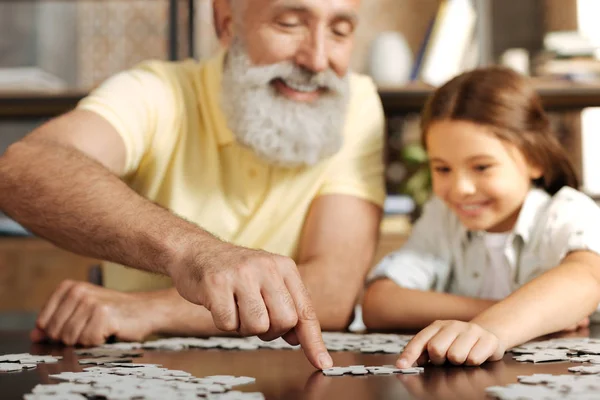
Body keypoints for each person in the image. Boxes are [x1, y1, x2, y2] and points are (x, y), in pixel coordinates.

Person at [0, 0, 386, 370]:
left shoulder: (356, 102)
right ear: (226, 22)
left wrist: (148, 310)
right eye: (289, 23)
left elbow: (335, 290)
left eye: (340, 30)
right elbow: (22, 167)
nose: (317, 59)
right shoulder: (158, 92)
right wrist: (195, 252)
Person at [361, 66, 600, 368]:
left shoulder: (567, 211)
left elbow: (584, 279)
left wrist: (492, 328)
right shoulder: (442, 218)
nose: (461, 189)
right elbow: (379, 302)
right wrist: (487, 316)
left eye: (482, 167)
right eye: (442, 169)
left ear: (535, 159)